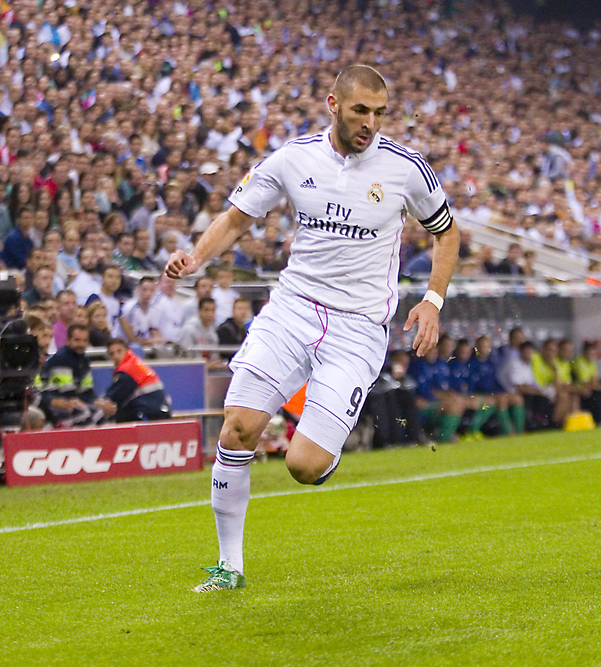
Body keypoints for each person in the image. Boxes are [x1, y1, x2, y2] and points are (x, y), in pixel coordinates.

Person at [166, 65, 459, 592]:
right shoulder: (292, 157)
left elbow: (447, 232)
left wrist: (433, 300)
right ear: (333, 104)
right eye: (360, 111)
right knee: (237, 427)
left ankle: (323, 442)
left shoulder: (406, 168)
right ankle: (229, 568)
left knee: (303, 466)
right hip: (292, 310)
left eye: (379, 113)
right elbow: (237, 216)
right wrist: (197, 257)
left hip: (358, 329)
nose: (370, 123)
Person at [39, 324, 105, 426]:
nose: (81, 344)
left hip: (72, 400)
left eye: (84, 341)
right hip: (53, 401)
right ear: (68, 341)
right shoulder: (61, 359)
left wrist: (97, 402)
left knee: (100, 412)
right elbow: (67, 393)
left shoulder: (84, 360)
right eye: (77, 340)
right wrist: (87, 403)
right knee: (83, 414)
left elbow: (87, 392)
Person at [99, 339, 172, 423]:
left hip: (148, 414)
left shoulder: (127, 370)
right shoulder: (136, 363)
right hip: (160, 409)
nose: (116, 356)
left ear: (127, 350)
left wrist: (99, 401)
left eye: (119, 351)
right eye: (112, 354)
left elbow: (114, 396)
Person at [573, 342, 601, 426]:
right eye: (590, 354)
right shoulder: (579, 362)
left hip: (590, 390)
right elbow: (587, 384)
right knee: (598, 395)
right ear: (584, 353)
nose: (592, 356)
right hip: (580, 392)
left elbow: (594, 382)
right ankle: (600, 421)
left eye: (594, 354)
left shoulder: (592, 363)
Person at [120, 276, 164, 347]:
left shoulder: (155, 309)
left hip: (143, 343)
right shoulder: (129, 308)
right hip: (124, 344)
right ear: (138, 290)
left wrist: (157, 339)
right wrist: (150, 341)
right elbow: (132, 339)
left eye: (151, 290)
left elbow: (155, 332)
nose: (148, 293)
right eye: (145, 290)